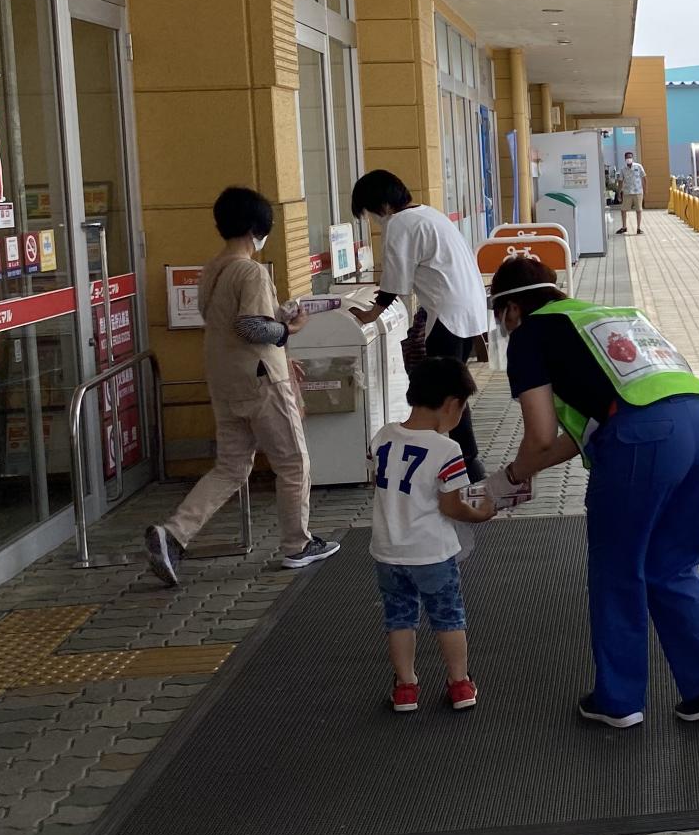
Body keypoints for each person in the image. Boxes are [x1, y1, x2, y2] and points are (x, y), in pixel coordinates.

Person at [484, 255, 699, 727]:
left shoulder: (529, 336)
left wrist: (510, 477)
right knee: (672, 564)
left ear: (511, 309)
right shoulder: (606, 318)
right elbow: (581, 434)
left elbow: (540, 436)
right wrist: (523, 472)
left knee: (617, 569)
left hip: (643, 439)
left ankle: (619, 700)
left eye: (500, 318)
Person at [145, 187, 338, 584]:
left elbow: (226, 324)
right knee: (293, 463)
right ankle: (297, 545)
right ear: (256, 228)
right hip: (261, 381)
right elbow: (250, 326)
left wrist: (277, 321)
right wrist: (288, 329)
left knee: (231, 467)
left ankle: (174, 534)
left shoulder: (212, 270)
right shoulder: (251, 271)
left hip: (225, 380)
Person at [369, 357, 496, 713]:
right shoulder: (447, 450)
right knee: (448, 617)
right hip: (432, 553)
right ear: (452, 405)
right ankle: (459, 683)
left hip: (388, 551)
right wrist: (481, 514)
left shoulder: (382, 437)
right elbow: (451, 506)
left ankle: (406, 687)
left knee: (399, 618)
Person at [348, 170, 491, 481]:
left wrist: (372, 313)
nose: (372, 219)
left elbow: (395, 280)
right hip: (468, 310)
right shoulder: (428, 214)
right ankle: (465, 463)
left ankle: (466, 465)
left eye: (369, 211)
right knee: (452, 389)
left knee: (444, 392)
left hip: (448, 315)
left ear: (382, 205)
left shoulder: (400, 223)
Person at [619, 150, 647, 234]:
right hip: (627, 192)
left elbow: (644, 178)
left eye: (630, 157)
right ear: (625, 159)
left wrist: (645, 190)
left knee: (639, 210)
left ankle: (638, 228)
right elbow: (620, 181)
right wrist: (619, 193)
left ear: (632, 158)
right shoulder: (623, 169)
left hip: (638, 192)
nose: (629, 159)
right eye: (627, 157)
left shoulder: (638, 166)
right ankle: (624, 227)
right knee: (623, 210)